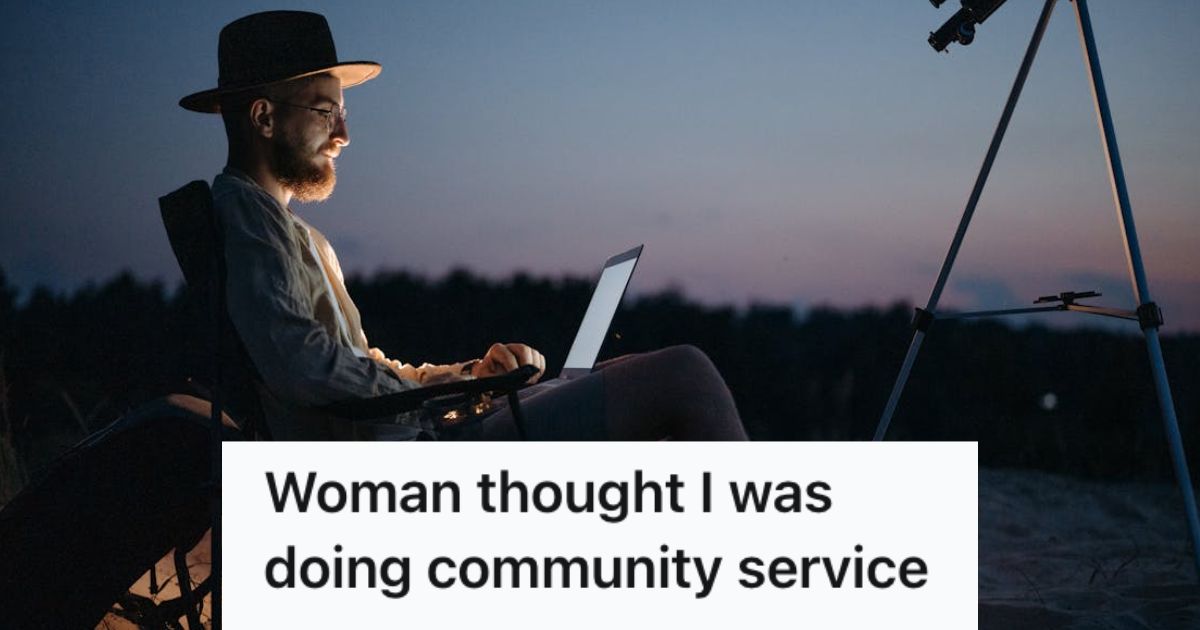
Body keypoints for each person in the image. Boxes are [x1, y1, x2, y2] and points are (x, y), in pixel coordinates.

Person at [179, 11, 746, 441]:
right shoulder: (248, 217)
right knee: (684, 374)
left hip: (411, 437)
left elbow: (352, 366)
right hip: (399, 466)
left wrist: (472, 378)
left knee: (614, 370)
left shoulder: (286, 229)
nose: (344, 133)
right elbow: (305, 370)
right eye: (327, 111)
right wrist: (462, 394)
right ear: (264, 117)